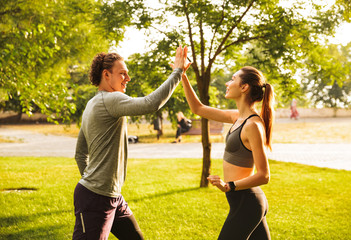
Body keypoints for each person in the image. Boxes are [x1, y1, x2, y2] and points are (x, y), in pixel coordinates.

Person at [73, 45, 188, 240]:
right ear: (106, 75)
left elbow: (80, 154)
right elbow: (150, 103)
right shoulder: (111, 100)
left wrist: (98, 184)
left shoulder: (91, 104)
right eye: (123, 74)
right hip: (97, 198)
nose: (128, 78)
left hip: (113, 197)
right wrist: (178, 72)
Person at [181, 65, 274, 239]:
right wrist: (182, 75)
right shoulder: (237, 117)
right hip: (245, 202)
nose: (227, 83)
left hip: (247, 202)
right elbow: (198, 109)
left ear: (244, 87)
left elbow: (264, 175)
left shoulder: (252, 125)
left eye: (232, 79)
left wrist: (229, 185)